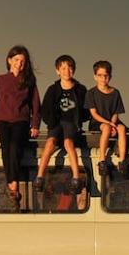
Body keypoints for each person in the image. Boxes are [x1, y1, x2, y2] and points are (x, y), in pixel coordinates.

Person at [0, 45, 40, 204]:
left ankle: (12, 182)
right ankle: (12, 183)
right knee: (6, 148)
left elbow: (36, 104)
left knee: (15, 146)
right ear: (9, 60)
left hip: (21, 120)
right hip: (2, 119)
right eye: (16, 60)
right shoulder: (0, 79)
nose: (19, 63)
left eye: (23, 61)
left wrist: (35, 125)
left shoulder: (29, 81)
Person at [35, 54, 88, 192]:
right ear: (57, 71)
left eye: (70, 68)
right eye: (63, 68)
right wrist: (50, 122)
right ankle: (40, 177)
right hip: (56, 123)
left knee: (68, 143)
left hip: (71, 123)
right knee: (50, 142)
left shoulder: (80, 89)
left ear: (74, 70)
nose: (67, 71)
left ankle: (76, 177)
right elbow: (45, 109)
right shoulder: (52, 90)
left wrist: (80, 120)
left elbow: (87, 108)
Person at [86, 60, 128, 177]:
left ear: (110, 76)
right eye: (100, 75)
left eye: (106, 75)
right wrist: (109, 124)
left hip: (113, 121)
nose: (103, 78)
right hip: (98, 122)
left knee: (122, 129)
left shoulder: (115, 93)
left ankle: (123, 161)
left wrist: (113, 124)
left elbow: (116, 112)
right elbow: (94, 113)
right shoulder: (91, 93)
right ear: (95, 77)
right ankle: (102, 160)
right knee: (106, 128)